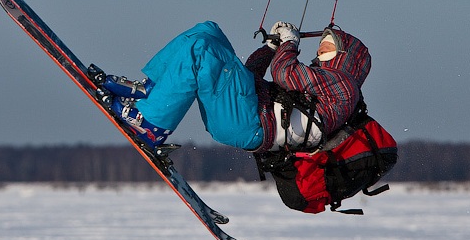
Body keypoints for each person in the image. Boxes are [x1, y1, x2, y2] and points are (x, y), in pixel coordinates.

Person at [102, 20, 371, 153]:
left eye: (327, 46)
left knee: (202, 50)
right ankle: (152, 90)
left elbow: (283, 73)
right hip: (248, 110)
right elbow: (254, 73)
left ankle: (151, 126)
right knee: (207, 30)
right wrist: (271, 47)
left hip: (251, 124)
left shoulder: (343, 84)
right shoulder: (324, 81)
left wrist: (290, 43)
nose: (320, 51)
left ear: (343, 56)